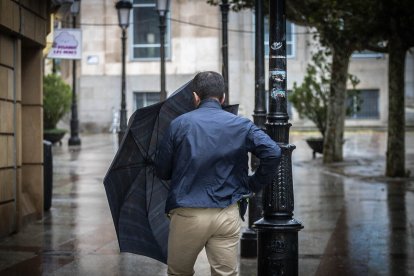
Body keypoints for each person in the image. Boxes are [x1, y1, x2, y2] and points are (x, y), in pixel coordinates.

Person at [155, 71, 281, 276]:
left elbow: (162, 171)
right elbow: (273, 152)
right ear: (222, 98)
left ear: (195, 97)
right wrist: (253, 184)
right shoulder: (241, 125)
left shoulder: (179, 124)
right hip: (227, 211)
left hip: (188, 213)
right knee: (226, 274)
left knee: (179, 273)